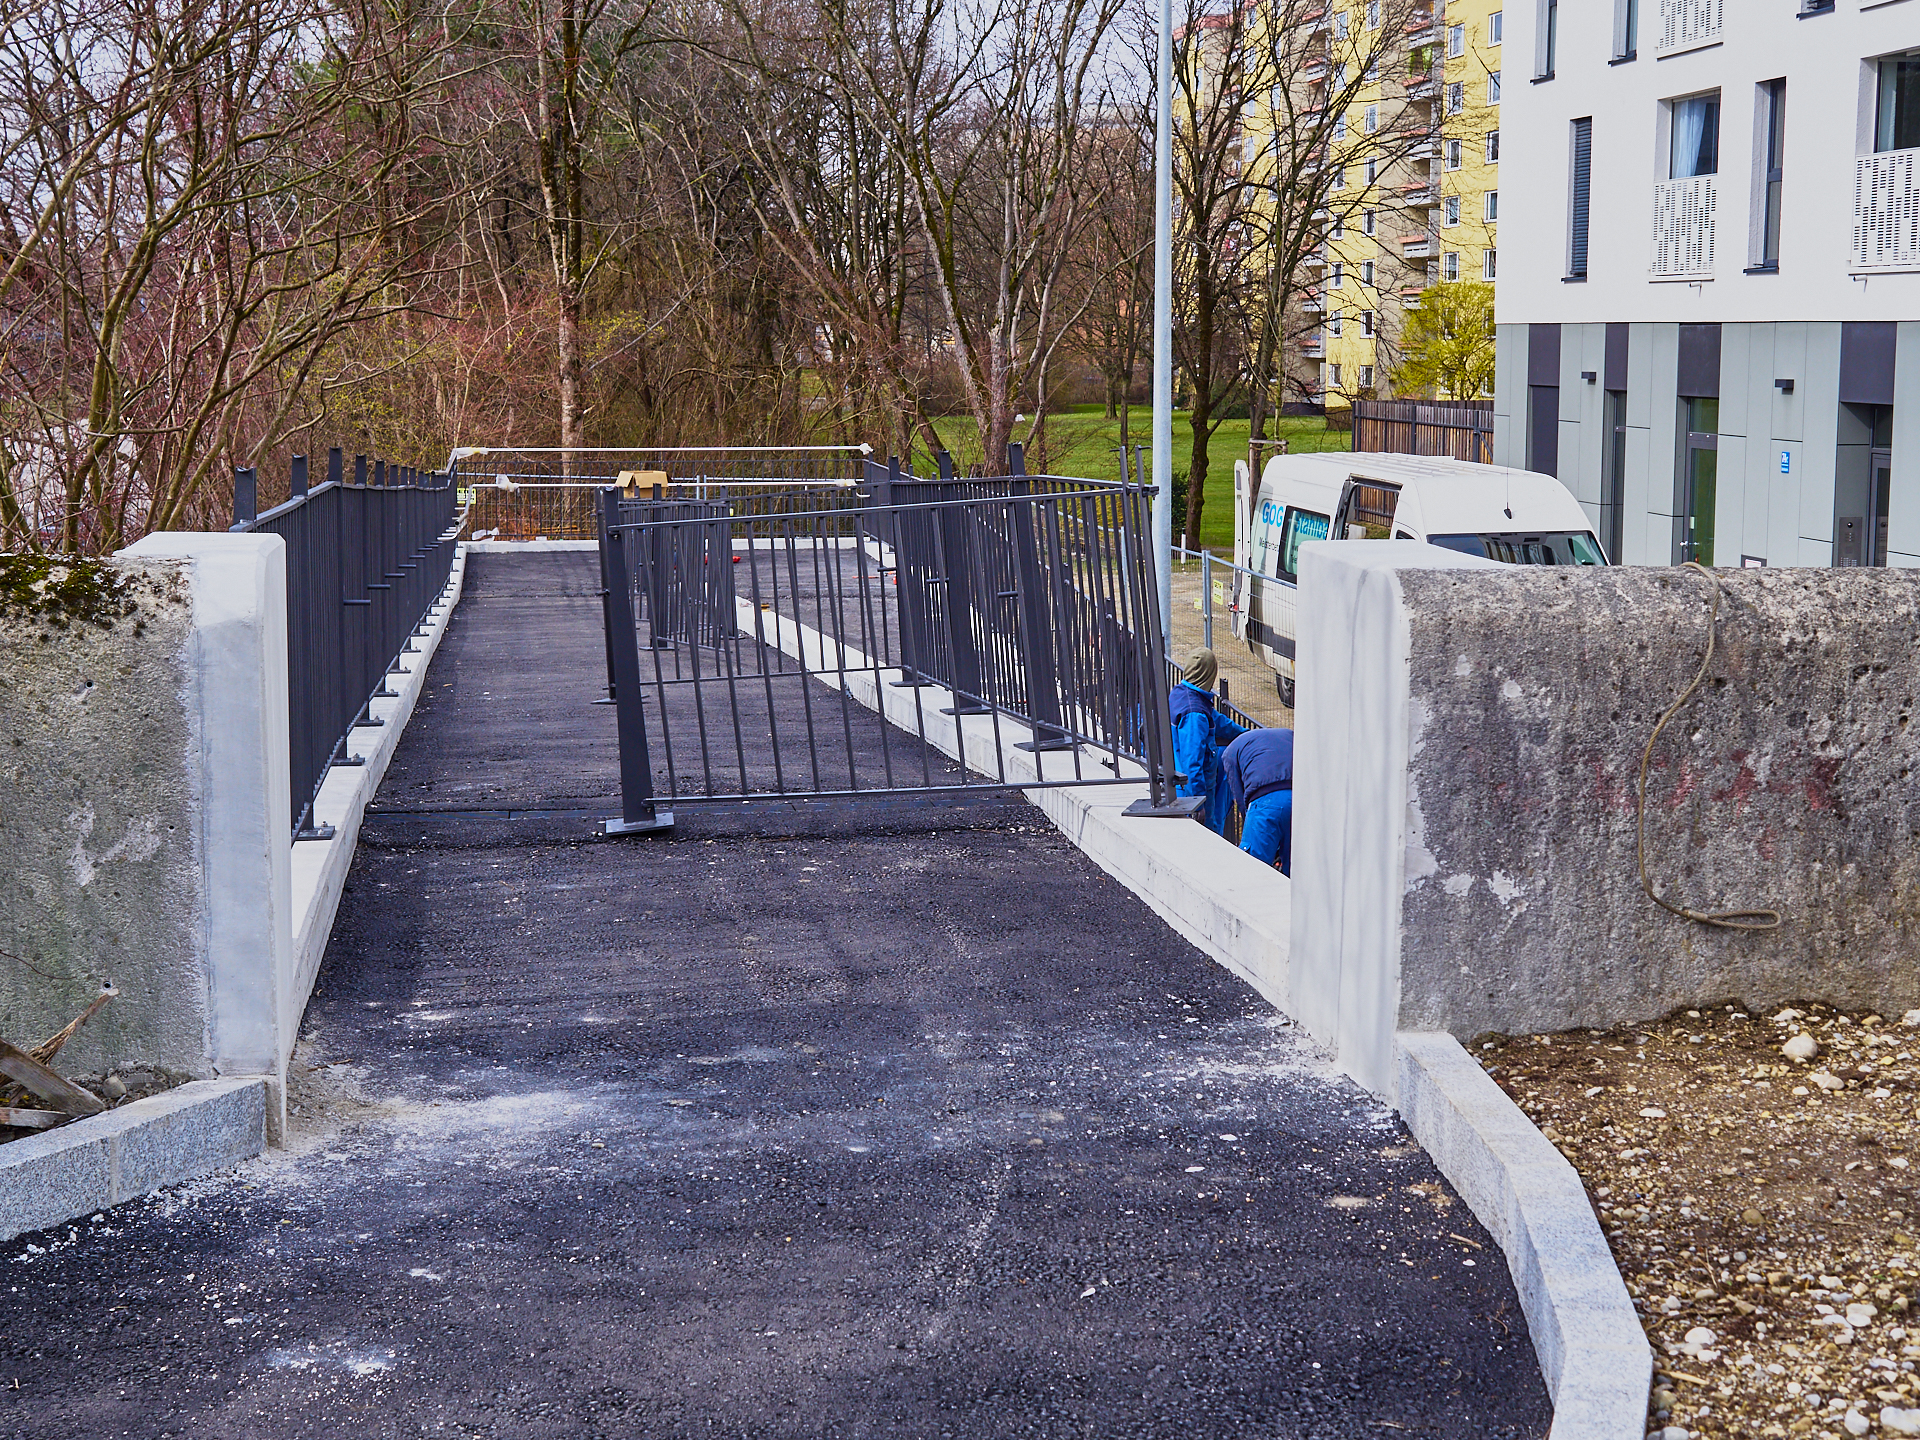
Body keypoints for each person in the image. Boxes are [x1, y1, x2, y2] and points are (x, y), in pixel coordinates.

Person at [1168, 648, 1246, 835]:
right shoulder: (1195, 714)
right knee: (1205, 838)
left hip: (1183, 788)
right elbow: (1192, 761)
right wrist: (1198, 802)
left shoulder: (1183, 693)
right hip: (1193, 796)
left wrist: (1249, 735)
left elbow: (1218, 721)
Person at [1221, 726, 1294, 874]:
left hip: (1265, 804)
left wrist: (1246, 816)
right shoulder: (1290, 735)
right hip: (1300, 799)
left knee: (1253, 869)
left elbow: (1239, 795)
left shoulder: (1230, 751)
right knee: (1296, 870)